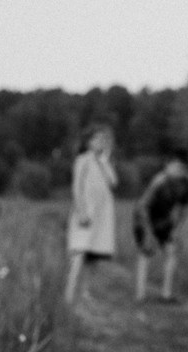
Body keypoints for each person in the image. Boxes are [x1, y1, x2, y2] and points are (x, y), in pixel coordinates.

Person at [133, 148, 188, 302]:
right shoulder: (159, 181)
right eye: (173, 166)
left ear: (186, 168)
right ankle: (140, 295)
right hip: (143, 216)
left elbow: (183, 210)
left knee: (171, 250)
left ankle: (166, 294)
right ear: (167, 165)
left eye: (181, 167)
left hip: (164, 218)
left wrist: (176, 230)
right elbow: (143, 207)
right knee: (146, 251)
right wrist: (148, 233)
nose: (176, 170)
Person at [64, 124, 117, 304]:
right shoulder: (83, 160)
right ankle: (69, 294)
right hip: (86, 212)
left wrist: (105, 160)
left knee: (93, 256)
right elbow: (76, 187)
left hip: (101, 216)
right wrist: (81, 211)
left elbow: (113, 182)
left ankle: (85, 292)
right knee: (79, 253)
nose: (100, 142)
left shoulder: (103, 162)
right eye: (96, 139)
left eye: (103, 140)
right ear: (88, 141)